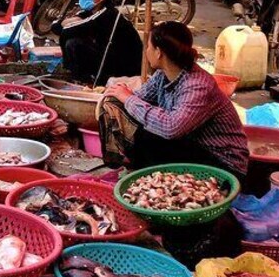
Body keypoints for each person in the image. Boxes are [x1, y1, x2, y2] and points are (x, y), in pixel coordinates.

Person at [102, 21, 249, 180]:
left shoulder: (197, 86)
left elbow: (171, 127)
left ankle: (152, 181)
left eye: (149, 47)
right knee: (135, 121)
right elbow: (140, 98)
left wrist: (128, 98)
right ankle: (147, 176)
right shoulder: (163, 75)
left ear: (158, 52)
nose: (146, 51)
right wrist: (122, 95)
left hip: (225, 164)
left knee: (147, 138)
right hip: (194, 148)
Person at [52, 0, 143, 85]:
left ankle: (85, 79)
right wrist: (69, 23)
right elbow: (56, 25)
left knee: (74, 43)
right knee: (75, 39)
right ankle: (80, 76)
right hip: (108, 56)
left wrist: (68, 24)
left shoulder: (107, 14)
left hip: (123, 66)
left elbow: (64, 30)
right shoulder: (89, 12)